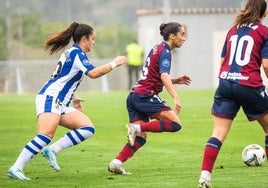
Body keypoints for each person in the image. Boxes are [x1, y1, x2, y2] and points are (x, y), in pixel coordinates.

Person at [7, 21, 127, 180]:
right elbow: (93, 74)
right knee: (45, 135)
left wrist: (74, 98)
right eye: (92, 38)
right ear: (84, 39)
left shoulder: (73, 52)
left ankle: (53, 150)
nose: (93, 42)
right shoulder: (77, 54)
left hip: (60, 101)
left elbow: (65, 77)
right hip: (51, 97)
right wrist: (114, 63)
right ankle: (16, 168)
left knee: (87, 128)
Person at [198, 0, 268, 187]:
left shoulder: (233, 30)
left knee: (218, 133)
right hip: (249, 84)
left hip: (226, 82)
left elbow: (223, 61)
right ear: (264, 12)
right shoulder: (264, 32)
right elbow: (267, 65)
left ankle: (205, 177)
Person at [108, 22, 191, 175]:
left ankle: (117, 162)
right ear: (172, 36)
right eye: (182, 34)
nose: (184, 38)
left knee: (141, 138)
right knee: (175, 124)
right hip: (145, 95)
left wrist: (175, 80)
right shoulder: (165, 51)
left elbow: (154, 76)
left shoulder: (157, 48)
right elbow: (163, 75)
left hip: (135, 95)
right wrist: (176, 97)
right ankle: (135, 128)